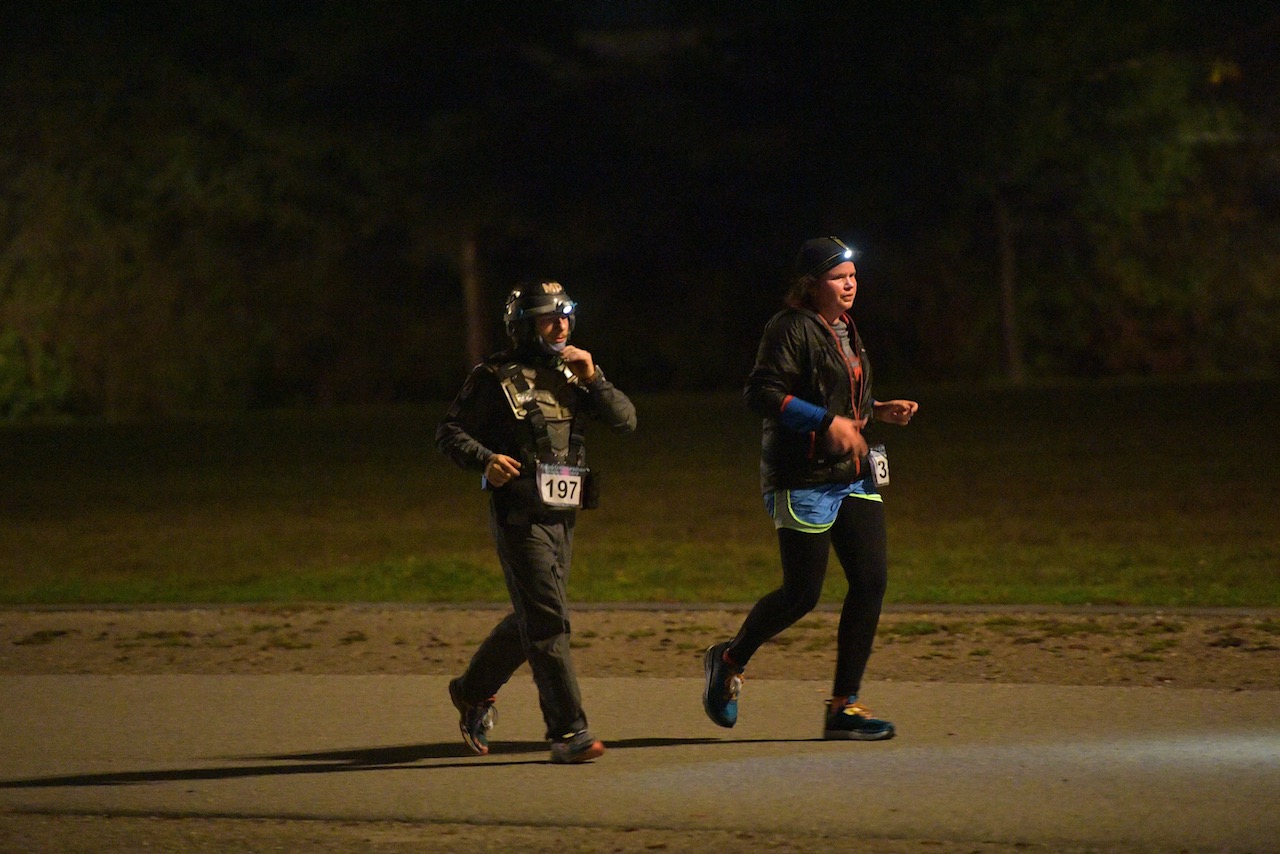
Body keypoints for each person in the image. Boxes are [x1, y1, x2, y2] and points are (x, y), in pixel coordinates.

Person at [702, 236, 918, 740]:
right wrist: (825, 423)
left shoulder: (844, 328)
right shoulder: (789, 327)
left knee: (870, 581)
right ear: (811, 284)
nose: (850, 285)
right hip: (802, 477)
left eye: (853, 277)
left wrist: (875, 412)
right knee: (802, 594)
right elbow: (761, 393)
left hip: (852, 473)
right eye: (839, 277)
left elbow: (837, 393)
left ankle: (844, 707)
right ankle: (728, 660)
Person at [436, 280, 636, 764]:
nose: (561, 324)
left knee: (538, 615)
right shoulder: (494, 376)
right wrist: (485, 459)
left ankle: (472, 689)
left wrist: (594, 379)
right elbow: (449, 432)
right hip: (519, 515)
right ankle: (569, 732)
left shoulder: (575, 372)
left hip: (562, 517)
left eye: (565, 314)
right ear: (523, 326)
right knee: (548, 622)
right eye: (548, 317)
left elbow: (626, 421)